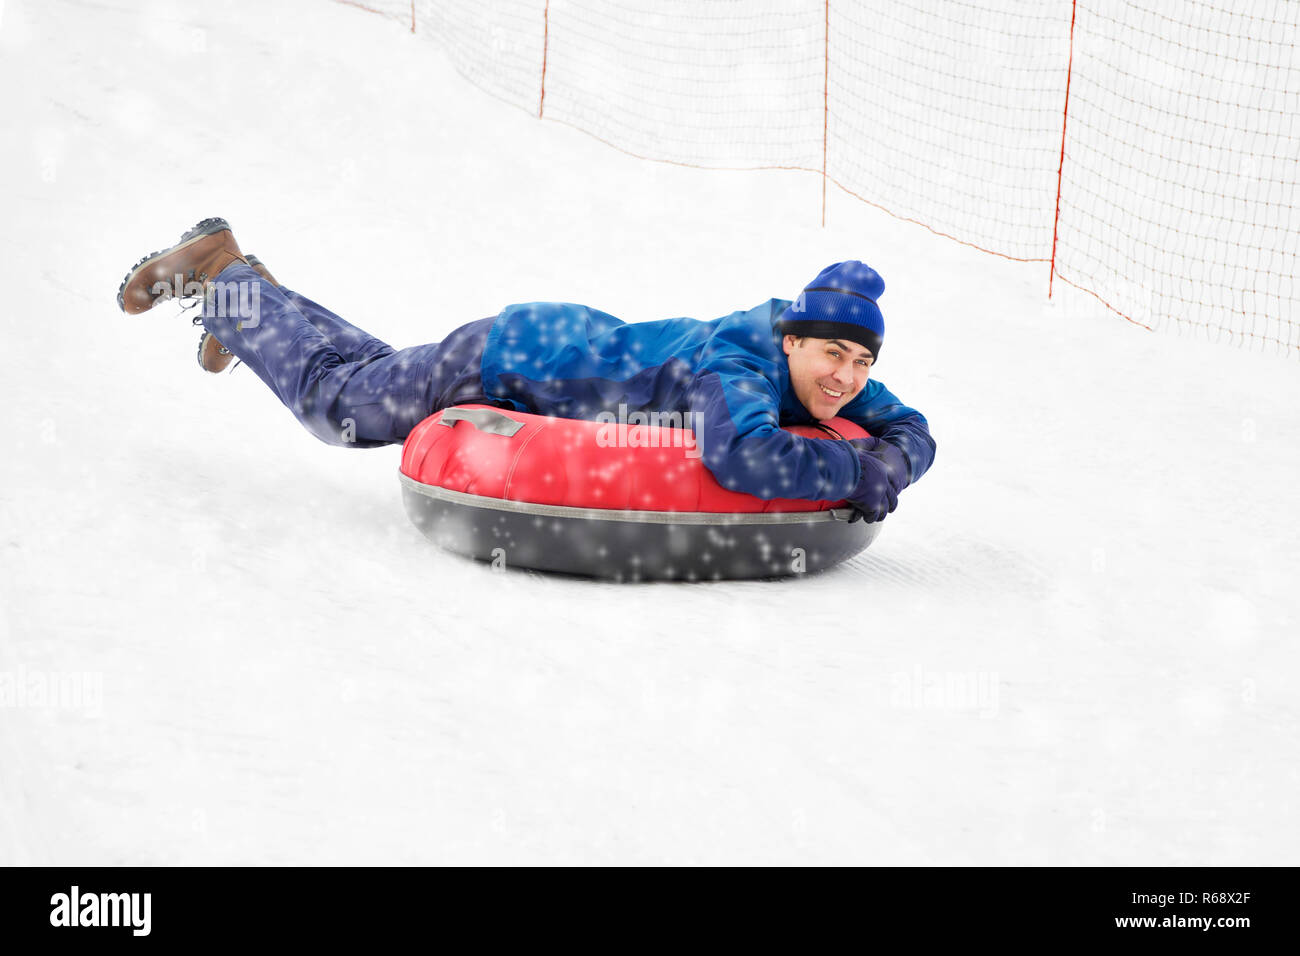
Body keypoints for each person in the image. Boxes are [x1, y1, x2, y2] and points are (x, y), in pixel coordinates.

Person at [118, 219, 936, 521]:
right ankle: (225, 285)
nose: (847, 378)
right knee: (337, 404)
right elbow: (744, 456)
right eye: (834, 353)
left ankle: (249, 294)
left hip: (548, 341)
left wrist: (890, 457)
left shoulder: (807, 361)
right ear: (794, 340)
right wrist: (854, 470)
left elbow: (911, 426)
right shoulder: (740, 366)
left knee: (366, 371)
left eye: (862, 361)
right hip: (515, 363)